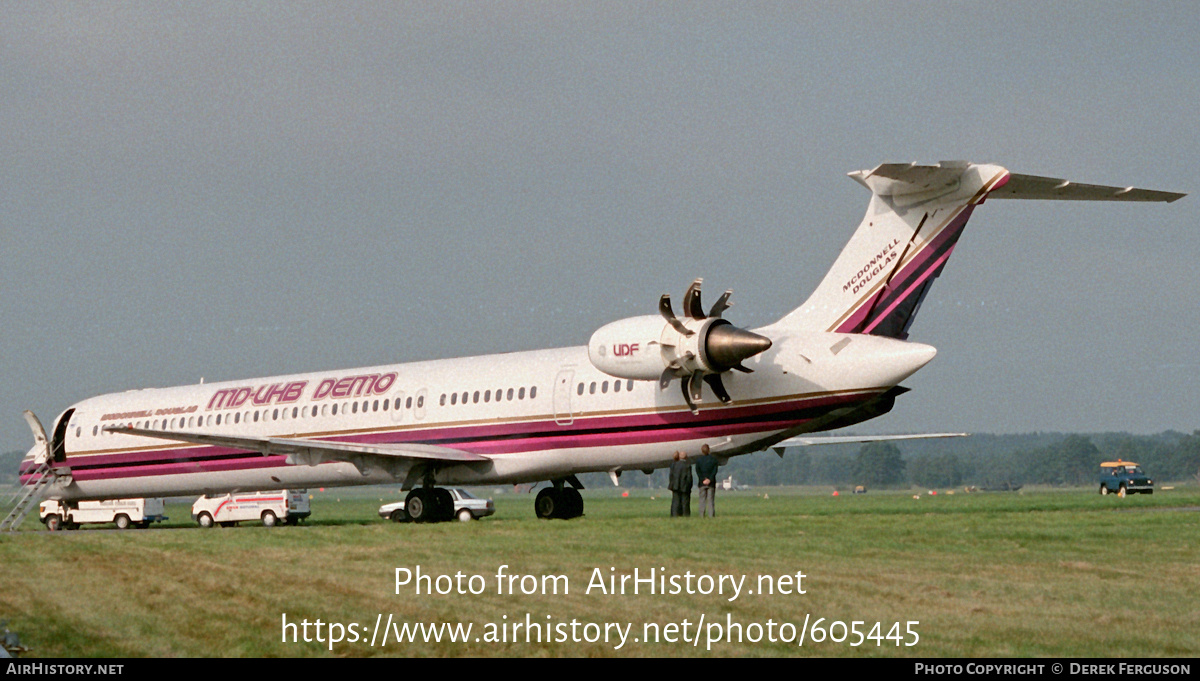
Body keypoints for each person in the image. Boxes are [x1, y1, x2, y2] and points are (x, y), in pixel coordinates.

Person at [694, 444, 719, 518]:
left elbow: (698, 471)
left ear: (702, 451)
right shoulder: (714, 459)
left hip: (702, 483)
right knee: (710, 500)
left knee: (702, 500)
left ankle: (701, 515)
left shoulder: (698, 460)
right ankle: (711, 515)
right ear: (709, 450)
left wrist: (702, 479)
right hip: (711, 483)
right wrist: (710, 479)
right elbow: (715, 471)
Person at [668, 451, 693, 517]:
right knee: (685, 503)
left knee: (675, 502)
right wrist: (689, 486)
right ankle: (685, 515)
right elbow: (689, 477)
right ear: (686, 457)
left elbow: (671, 475)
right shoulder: (687, 465)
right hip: (685, 486)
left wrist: (671, 484)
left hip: (675, 485)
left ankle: (674, 515)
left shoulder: (674, 465)